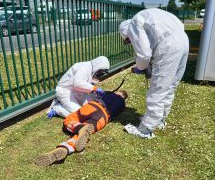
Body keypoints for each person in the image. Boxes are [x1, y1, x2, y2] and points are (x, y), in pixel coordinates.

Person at [119, 8, 189, 139]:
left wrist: (139, 67)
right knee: (169, 86)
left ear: (127, 33)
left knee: (158, 89)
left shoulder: (134, 24)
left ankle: (145, 130)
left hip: (168, 46)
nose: (130, 42)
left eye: (128, 40)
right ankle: (159, 120)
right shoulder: (149, 15)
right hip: (184, 41)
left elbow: (144, 55)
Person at [36, 90, 128, 166]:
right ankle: (66, 148)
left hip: (94, 106)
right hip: (104, 118)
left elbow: (100, 94)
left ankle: (79, 127)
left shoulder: (110, 93)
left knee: (68, 120)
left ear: (118, 92)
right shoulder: (122, 105)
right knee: (80, 135)